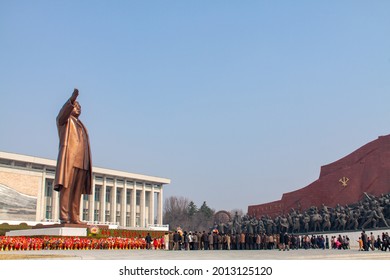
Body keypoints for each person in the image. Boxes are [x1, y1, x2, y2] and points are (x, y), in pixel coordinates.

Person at [54, 89, 93, 224]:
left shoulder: (81, 125)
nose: (78, 108)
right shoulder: (65, 122)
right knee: (67, 188)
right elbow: (60, 116)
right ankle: (64, 216)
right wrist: (71, 100)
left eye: (79, 107)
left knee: (77, 191)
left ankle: (75, 216)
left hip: (82, 161)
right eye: (76, 106)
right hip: (70, 160)